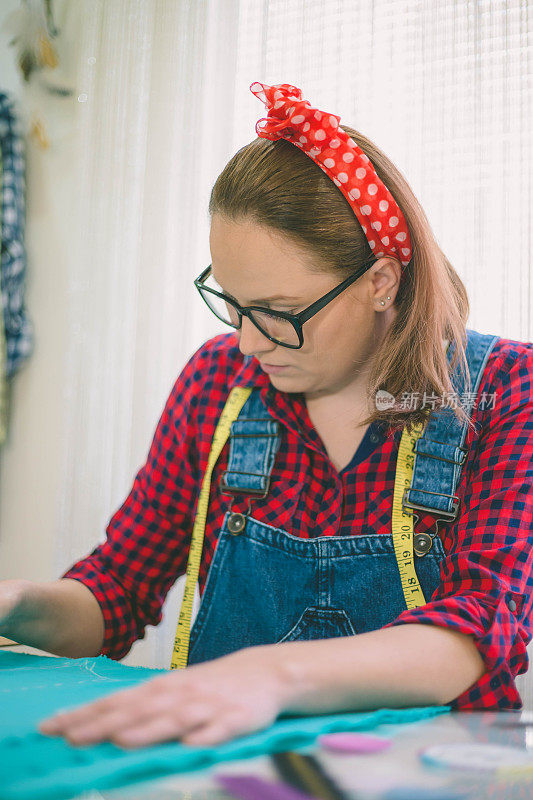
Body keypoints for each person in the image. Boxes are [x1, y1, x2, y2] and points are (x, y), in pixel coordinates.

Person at [1, 81, 532, 750]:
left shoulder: (504, 389)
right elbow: (116, 593)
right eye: (232, 304)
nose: (249, 343)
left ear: (379, 282)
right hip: (230, 775)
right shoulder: (216, 382)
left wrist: (271, 675)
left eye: (277, 313)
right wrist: (18, 604)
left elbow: (478, 629)